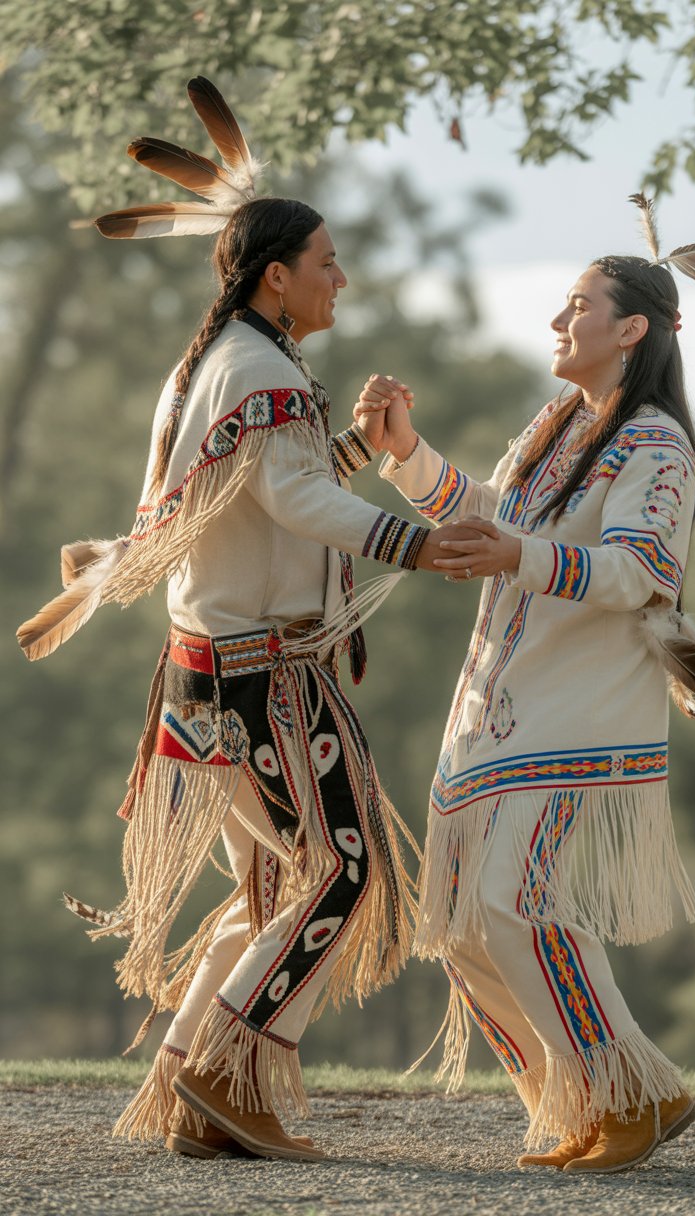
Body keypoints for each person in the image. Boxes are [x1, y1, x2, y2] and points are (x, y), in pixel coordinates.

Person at [17, 82, 477, 1163]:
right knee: (343, 870)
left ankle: (190, 1086)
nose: (340, 279)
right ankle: (229, 1074)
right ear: (277, 275)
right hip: (262, 680)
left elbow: (261, 498)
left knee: (273, 885)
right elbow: (298, 502)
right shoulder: (258, 368)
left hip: (205, 672)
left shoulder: (221, 363)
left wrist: (358, 445)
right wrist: (416, 541)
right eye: (327, 263)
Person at [353, 231, 695, 1173]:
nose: (559, 319)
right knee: (467, 932)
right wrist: (406, 454)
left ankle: (637, 1092)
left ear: (632, 329)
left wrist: (520, 556)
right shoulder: (555, 426)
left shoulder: (657, 444)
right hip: (494, 709)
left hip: (578, 710)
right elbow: (494, 515)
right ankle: (587, 1102)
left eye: (580, 305)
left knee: (513, 901)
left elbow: (640, 570)